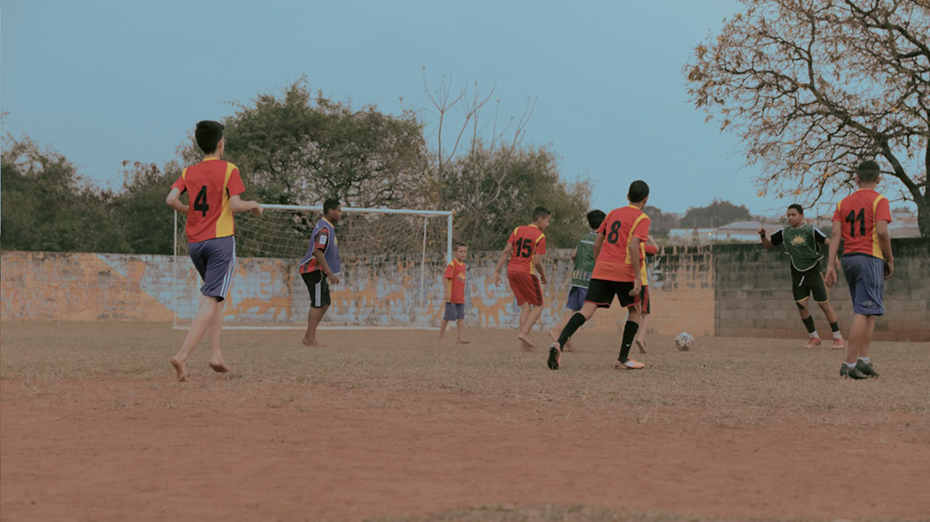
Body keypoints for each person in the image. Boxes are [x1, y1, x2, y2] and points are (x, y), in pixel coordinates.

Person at [166, 120, 263, 382]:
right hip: (220, 241)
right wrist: (253, 203)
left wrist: (190, 212)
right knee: (211, 298)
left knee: (216, 296)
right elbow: (234, 203)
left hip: (196, 244)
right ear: (220, 143)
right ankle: (182, 355)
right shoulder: (229, 169)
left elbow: (171, 199)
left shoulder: (188, 172)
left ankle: (216, 354)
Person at [547, 180, 651, 371]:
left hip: (602, 268)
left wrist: (599, 265)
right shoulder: (642, 219)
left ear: (627, 196)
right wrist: (637, 276)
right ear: (646, 199)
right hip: (625, 270)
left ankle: (559, 343)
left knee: (586, 310)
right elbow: (633, 245)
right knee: (635, 311)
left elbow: (597, 244)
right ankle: (623, 359)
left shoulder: (612, 213)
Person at [825, 160, 893, 380]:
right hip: (870, 258)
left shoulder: (842, 203)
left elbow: (836, 235)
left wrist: (830, 264)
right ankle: (849, 363)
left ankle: (863, 361)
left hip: (849, 259)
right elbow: (882, 232)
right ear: (878, 179)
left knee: (870, 311)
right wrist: (889, 258)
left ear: (856, 178)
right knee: (864, 311)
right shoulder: (880, 200)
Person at [760, 204, 845, 349]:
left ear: (801, 215)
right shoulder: (784, 232)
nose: (790, 218)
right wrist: (762, 236)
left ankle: (837, 337)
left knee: (824, 304)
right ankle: (814, 337)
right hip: (797, 273)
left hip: (813, 271)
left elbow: (829, 242)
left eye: (793, 215)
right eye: (788, 215)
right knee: (801, 306)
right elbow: (768, 245)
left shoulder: (810, 230)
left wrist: (835, 258)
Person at [548, 210, 606, 352]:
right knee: (582, 312)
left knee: (575, 310)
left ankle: (566, 343)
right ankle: (557, 330)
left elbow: (574, 255)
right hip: (588, 280)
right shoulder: (602, 240)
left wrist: (579, 265)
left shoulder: (583, 238)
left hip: (577, 278)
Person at [494, 206, 551, 350]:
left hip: (511, 271)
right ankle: (524, 333)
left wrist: (496, 270)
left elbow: (507, 250)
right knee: (539, 305)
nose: (548, 224)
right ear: (540, 220)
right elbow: (537, 261)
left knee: (525, 306)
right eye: (547, 221)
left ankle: (523, 345)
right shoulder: (540, 236)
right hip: (526, 272)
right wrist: (543, 276)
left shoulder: (517, 230)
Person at [297, 199, 343, 348]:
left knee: (325, 303)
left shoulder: (327, 227)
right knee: (317, 303)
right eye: (338, 210)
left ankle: (309, 336)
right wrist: (330, 273)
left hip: (319, 270)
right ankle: (309, 338)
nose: (340, 214)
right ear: (330, 210)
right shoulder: (324, 229)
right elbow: (317, 251)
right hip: (313, 270)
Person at [633, 235, 660, 354]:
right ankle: (640, 338)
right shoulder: (641, 246)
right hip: (642, 283)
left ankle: (633, 340)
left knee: (634, 313)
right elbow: (656, 249)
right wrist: (651, 238)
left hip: (628, 283)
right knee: (646, 314)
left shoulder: (625, 246)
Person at [439, 242, 470, 344]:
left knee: (461, 317)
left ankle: (460, 337)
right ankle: (441, 336)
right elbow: (446, 278)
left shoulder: (463, 266)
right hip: (452, 297)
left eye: (465, 252)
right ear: (455, 252)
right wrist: (446, 292)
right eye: (461, 251)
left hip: (460, 297)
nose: (463, 254)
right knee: (448, 317)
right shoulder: (452, 265)